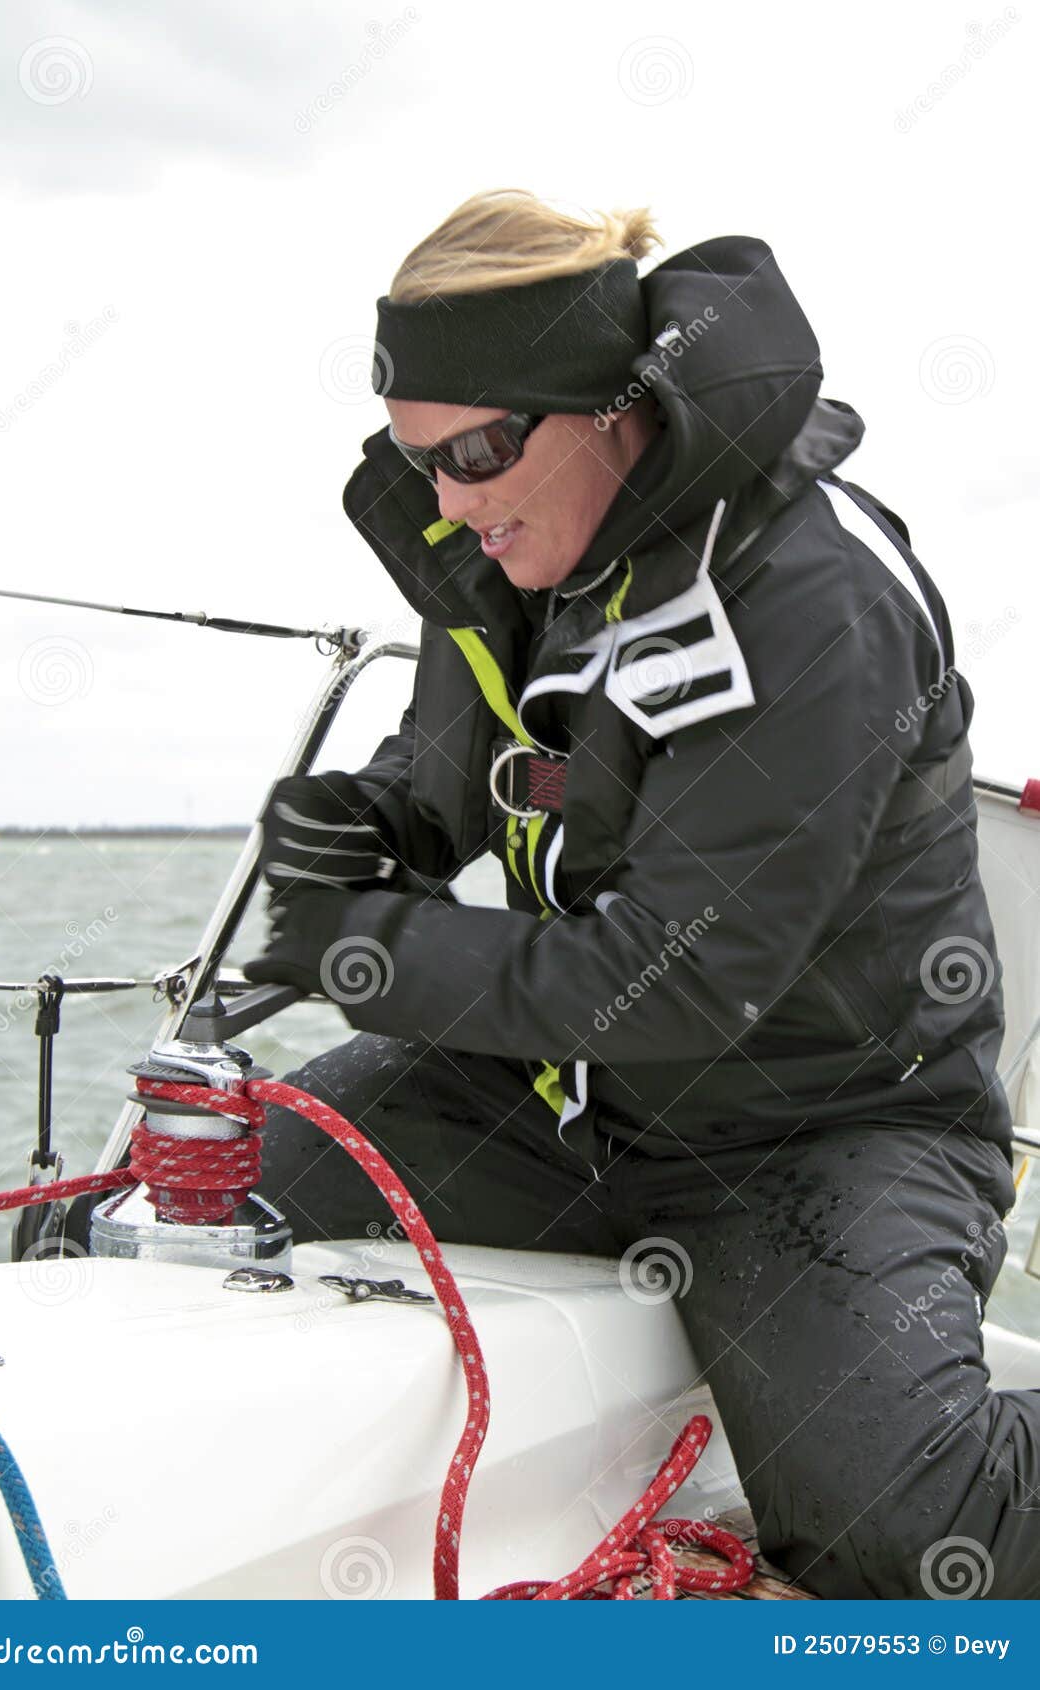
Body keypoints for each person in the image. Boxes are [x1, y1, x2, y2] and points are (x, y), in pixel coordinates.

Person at [242, 189, 1040, 1599]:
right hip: (565, 1099)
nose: (447, 499)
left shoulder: (812, 593)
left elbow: (676, 974)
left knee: (908, 1542)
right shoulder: (516, 549)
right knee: (199, 1196)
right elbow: (449, 790)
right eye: (415, 458)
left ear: (604, 405)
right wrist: (363, 823)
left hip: (820, 1128)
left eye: (476, 452)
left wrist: (361, 947)